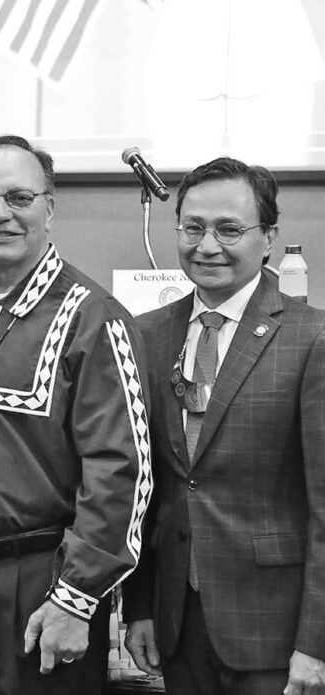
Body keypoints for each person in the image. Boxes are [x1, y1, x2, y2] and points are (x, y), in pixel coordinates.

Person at [0, 135, 153, 694]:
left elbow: (123, 471)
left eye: (19, 198)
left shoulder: (94, 318)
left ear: (50, 207)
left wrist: (77, 597)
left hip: (44, 581)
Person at [123, 157, 325, 695]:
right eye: (193, 228)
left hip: (274, 632)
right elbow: (145, 488)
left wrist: (317, 643)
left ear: (268, 238)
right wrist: (139, 607)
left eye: (229, 229)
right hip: (177, 622)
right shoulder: (146, 334)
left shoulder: (311, 338)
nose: (207, 245)